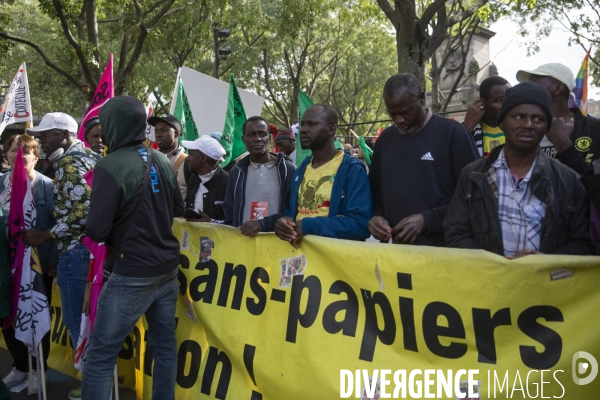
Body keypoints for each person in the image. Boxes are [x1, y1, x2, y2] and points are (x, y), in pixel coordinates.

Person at [82, 96, 184, 400]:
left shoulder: (109, 165)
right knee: (165, 348)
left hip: (131, 273)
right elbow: (177, 207)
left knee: (100, 356)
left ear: (112, 125)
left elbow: (96, 230)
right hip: (167, 271)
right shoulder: (163, 160)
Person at [444, 81, 594, 257]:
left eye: (538, 118)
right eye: (518, 116)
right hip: (490, 282)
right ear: (502, 123)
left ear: (546, 127)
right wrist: (501, 264)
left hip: (544, 282)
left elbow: (583, 244)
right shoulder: (472, 176)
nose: (528, 124)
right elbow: (455, 235)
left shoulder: (568, 180)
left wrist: (543, 262)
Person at [21, 113, 97, 370]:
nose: (42, 139)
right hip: (90, 252)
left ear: (65, 134)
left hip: (76, 252)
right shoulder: (91, 157)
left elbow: (85, 209)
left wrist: (46, 235)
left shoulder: (68, 163)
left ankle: (93, 387)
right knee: (86, 322)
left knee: (76, 321)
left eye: (48, 133)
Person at [368, 73, 479, 247]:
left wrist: (428, 220)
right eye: (393, 114)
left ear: (421, 99)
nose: (399, 120)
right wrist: (377, 216)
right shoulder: (385, 140)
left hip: (445, 252)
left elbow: (474, 197)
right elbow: (375, 193)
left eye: (405, 113)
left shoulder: (454, 134)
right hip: (396, 255)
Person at [0, 135, 55, 394]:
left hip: (36, 266)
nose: (18, 157)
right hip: (4, 266)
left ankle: (37, 369)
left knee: (36, 315)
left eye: (25, 152)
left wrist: (52, 262)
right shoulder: (0, 184)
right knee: (7, 316)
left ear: (36, 157)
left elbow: (57, 226)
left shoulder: (46, 186)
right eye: (13, 151)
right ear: (6, 154)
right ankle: (22, 366)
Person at [275, 104, 371, 246]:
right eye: (303, 125)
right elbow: (293, 213)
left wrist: (308, 226)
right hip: (300, 262)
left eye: (312, 124)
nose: (304, 130)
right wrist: (285, 223)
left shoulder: (352, 170)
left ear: (331, 129)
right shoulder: (301, 170)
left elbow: (360, 224)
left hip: (333, 263)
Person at [517, 63, 600, 174]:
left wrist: (564, 144)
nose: (529, 90)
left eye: (535, 85)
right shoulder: (526, 129)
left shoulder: (595, 130)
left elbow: (593, 187)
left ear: (558, 88)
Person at [223, 116, 296, 236]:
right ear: (243, 140)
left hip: (277, 244)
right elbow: (229, 213)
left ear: (269, 138)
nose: (257, 139)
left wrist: (263, 224)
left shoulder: (287, 169)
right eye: (251, 135)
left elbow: (294, 212)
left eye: (262, 134)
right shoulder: (236, 172)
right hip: (244, 244)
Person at [183, 135, 229, 223]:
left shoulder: (228, 182)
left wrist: (211, 222)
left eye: (191, 154)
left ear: (203, 158)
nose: (187, 158)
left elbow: (234, 221)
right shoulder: (193, 179)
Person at [462, 76, 511, 157]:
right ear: (483, 103)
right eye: (500, 100)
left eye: (509, 99)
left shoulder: (516, 128)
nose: (507, 105)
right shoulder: (471, 130)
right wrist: (467, 127)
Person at [148, 114, 188, 197]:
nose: (158, 135)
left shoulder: (187, 162)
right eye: (156, 131)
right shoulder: (150, 158)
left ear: (176, 133)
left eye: (163, 130)